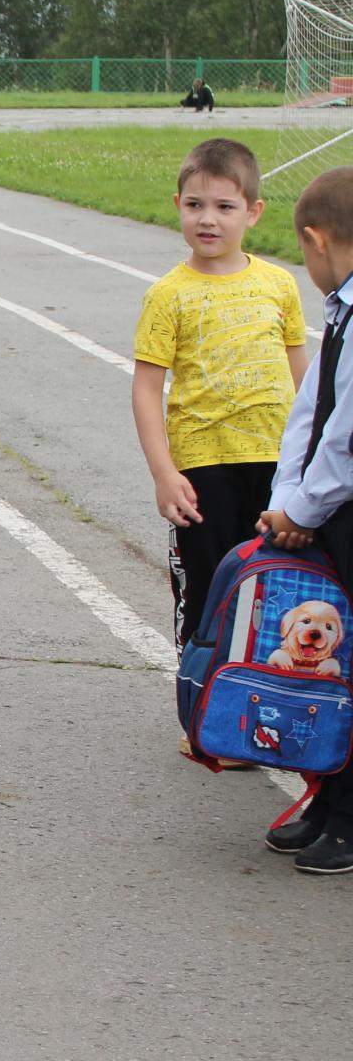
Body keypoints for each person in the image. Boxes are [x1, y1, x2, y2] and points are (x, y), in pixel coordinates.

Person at [131, 139, 305, 665]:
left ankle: (265, 692)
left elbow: (303, 379)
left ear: (253, 212)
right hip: (202, 471)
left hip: (276, 466)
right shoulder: (168, 294)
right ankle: (200, 693)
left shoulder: (279, 284)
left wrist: (311, 463)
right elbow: (146, 388)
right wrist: (164, 473)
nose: (208, 219)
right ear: (178, 205)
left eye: (225, 206)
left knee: (277, 589)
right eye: (195, 205)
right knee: (206, 593)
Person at [256, 165, 353, 875]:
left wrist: (305, 506)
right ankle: (329, 798)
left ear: (316, 240)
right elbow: (309, 410)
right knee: (333, 671)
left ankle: (349, 818)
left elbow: (346, 438)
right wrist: (287, 497)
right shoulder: (340, 311)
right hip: (327, 508)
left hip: (342, 503)